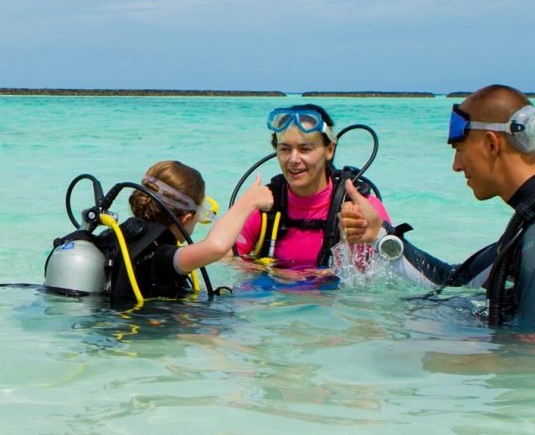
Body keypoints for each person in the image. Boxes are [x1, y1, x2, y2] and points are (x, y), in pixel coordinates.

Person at [340, 85, 535, 333]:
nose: (456, 166)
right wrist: (380, 234)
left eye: (459, 151)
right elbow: (454, 280)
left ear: (490, 143)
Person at [234, 104, 391, 274]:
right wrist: (278, 274)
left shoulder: (362, 208)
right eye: (285, 149)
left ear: (329, 150)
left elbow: (395, 274)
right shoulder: (264, 207)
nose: (293, 159)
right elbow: (224, 258)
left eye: (305, 149)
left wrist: (378, 234)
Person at [104, 160, 273, 300]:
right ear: (186, 219)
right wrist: (249, 201)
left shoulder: (122, 236)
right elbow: (216, 247)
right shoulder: (162, 256)